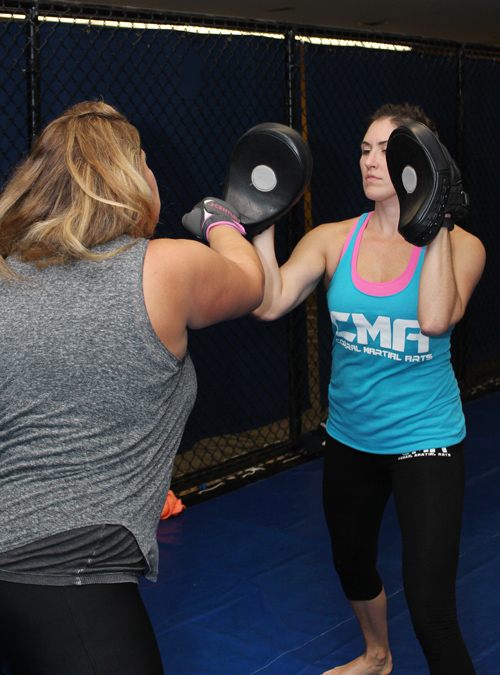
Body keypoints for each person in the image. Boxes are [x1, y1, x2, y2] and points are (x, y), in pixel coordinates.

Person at [0, 101, 264, 675]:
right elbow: (249, 282)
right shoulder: (162, 268)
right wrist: (222, 219)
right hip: (67, 575)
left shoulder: (6, 274)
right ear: (129, 177)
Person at [251, 102, 486, 675]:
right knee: (352, 564)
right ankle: (377, 656)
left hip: (425, 440)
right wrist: (261, 221)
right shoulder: (333, 238)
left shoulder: (466, 246)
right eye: (365, 148)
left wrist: (436, 220)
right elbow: (270, 300)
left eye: (388, 149)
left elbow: (435, 319)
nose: (371, 160)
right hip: (351, 438)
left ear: (421, 163)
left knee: (431, 607)